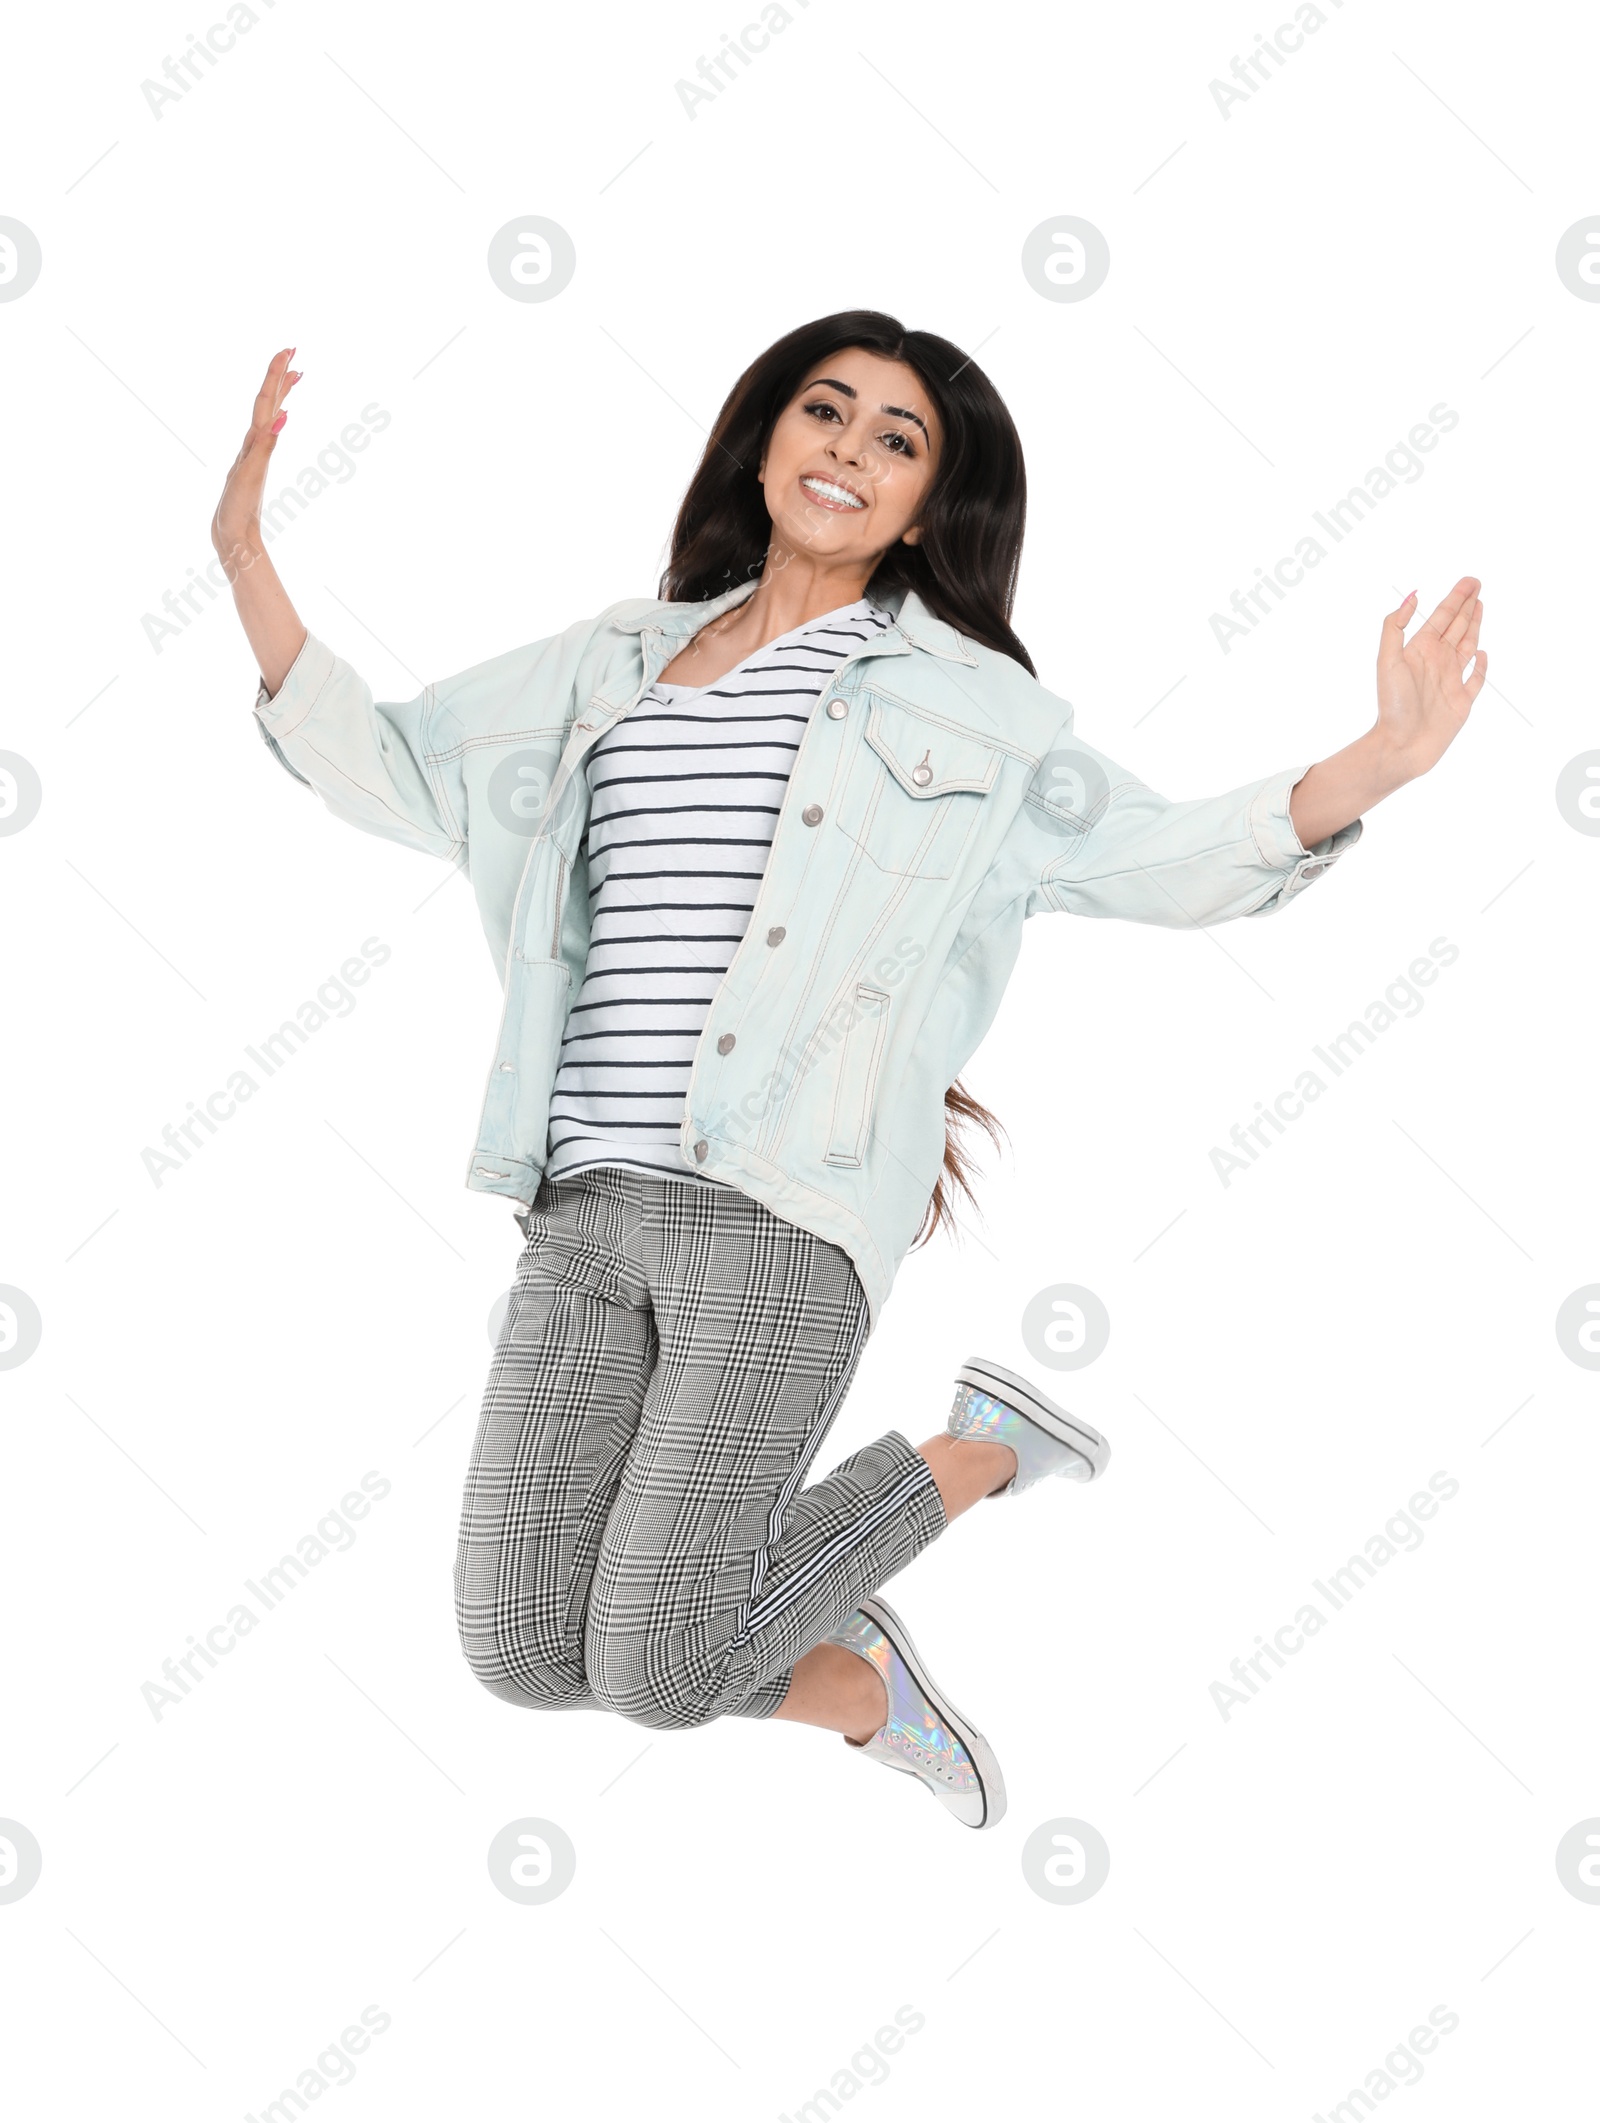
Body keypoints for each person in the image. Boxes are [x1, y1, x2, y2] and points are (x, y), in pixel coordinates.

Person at [215, 312, 1486, 1829]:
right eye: (827, 412)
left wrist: (1375, 765)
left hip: (781, 1212)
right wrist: (245, 562)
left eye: (899, 442)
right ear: (763, 438)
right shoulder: (607, 663)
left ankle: (980, 1459)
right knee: (526, 1653)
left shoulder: (971, 709)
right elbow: (404, 765)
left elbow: (1156, 855)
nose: (850, 451)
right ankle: (850, 1652)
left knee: (665, 1666)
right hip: (578, 1206)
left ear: (927, 505)